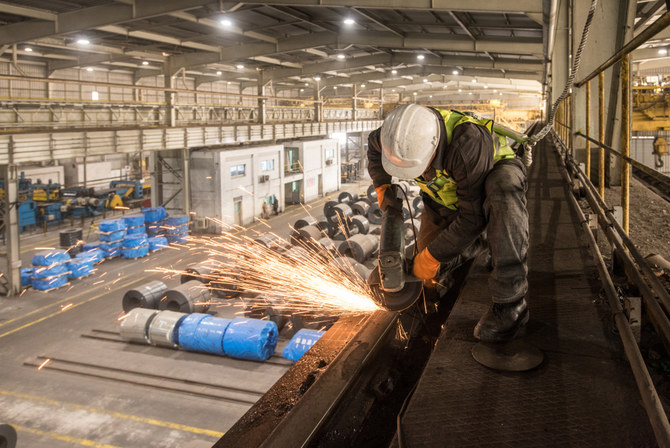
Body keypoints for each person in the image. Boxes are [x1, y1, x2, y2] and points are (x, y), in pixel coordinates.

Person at [367, 104, 529, 343]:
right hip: (445, 195)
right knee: (426, 269)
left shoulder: (467, 143)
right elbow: (373, 149)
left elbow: (472, 217)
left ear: (433, 147)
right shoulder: (391, 137)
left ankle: (511, 305)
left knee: (503, 192)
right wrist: (383, 188)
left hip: (490, 178)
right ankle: (480, 243)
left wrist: (432, 256)